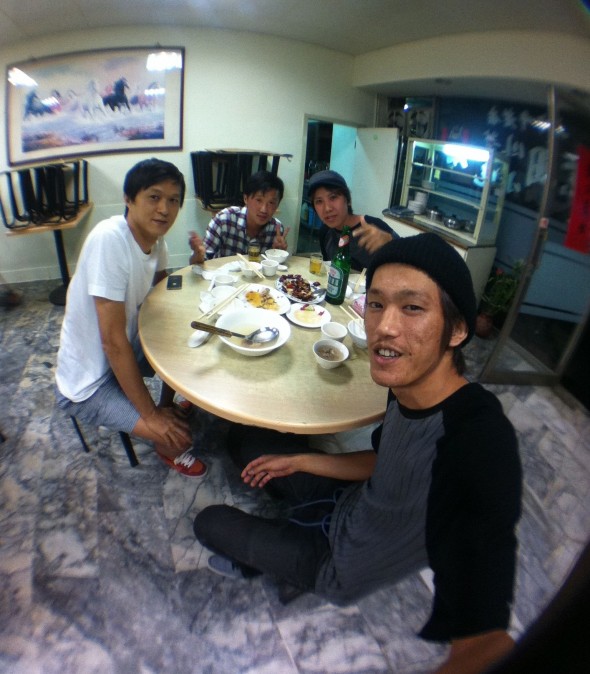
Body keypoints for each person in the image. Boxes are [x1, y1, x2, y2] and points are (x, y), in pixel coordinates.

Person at [194, 233, 522, 674]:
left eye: (413, 307)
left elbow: (487, 639)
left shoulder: (476, 434)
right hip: (348, 503)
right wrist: (301, 461)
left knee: (208, 523)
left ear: (458, 330)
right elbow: (383, 462)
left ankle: (293, 572)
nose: (385, 326)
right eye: (377, 304)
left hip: (342, 565)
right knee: (246, 440)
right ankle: (286, 534)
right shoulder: (404, 387)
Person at [55, 158, 206, 478]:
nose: (164, 209)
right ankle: (161, 428)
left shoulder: (157, 243)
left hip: (122, 350)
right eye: (154, 197)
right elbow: (112, 342)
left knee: (186, 341)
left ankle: (167, 406)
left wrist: (195, 264)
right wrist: (150, 416)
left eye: (173, 200)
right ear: (128, 198)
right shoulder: (109, 239)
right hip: (88, 382)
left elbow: (162, 297)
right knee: (180, 439)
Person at [188, 171, 289, 264]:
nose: (264, 209)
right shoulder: (224, 220)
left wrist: (278, 254)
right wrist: (198, 254)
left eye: (271, 203)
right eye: (259, 200)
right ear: (245, 198)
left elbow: (275, 270)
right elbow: (199, 263)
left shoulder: (276, 229)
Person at [308, 169, 398, 271]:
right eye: (319, 201)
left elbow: (409, 256)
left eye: (333, 197)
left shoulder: (372, 226)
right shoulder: (325, 232)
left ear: (348, 200)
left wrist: (391, 242)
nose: (327, 208)